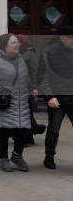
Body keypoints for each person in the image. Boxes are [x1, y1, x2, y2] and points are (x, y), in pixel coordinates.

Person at [0, 33, 31, 172]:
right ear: (4, 46)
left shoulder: (20, 59)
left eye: (17, 42)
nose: (17, 45)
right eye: (14, 43)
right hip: (4, 100)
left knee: (22, 131)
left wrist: (32, 88)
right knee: (4, 130)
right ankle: (3, 159)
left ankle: (17, 156)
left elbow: (25, 77)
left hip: (20, 100)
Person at [39, 25, 73, 170]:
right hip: (57, 98)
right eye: (71, 38)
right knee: (54, 129)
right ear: (62, 38)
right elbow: (43, 76)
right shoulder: (49, 52)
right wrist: (49, 96)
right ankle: (49, 156)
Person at [17, 34, 46, 145]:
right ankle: (29, 132)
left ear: (22, 43)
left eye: (17, 42)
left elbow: (34, 72)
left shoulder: (30, 53)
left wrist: (34, 87)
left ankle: (28, 138)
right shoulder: (26, 52)